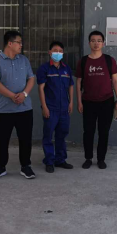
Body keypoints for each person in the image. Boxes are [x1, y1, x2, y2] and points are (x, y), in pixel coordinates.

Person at [0, 31, 36, 180]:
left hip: (24, 108)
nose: (21, 45)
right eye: (19, 42)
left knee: (25, 139)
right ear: (10, 43)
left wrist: (24, 94)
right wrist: (12, 96)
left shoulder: (24, 60)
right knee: (2, 140)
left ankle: (26, 166)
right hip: (3, 110)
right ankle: (1, 167)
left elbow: (31, 79)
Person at [76, 31, 117, 169]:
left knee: (104, 132)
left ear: (103, 43)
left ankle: (101, 159)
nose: (96, 43)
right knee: (88, 132)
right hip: (88, 102)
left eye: (99, 40)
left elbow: (115, 81)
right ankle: (88, 158)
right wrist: (79, 101)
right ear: (89, 43)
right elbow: (78, 83)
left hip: (106, 101)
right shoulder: (83, 61)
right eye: (93, 40)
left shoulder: (109, 60)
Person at [36, 41, 75, 174]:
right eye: (55, 50)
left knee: (61, 135)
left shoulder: (66, 68)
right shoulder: (44, 68)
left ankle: (60, 160)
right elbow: (41, 89)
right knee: (48, 136)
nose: (57, 53)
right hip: (50, 108)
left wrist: (71, 102)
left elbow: (71, 86)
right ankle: (49, 161)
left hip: (64, 109)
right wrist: (44, 107)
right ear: (49, 52)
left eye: (60, 51)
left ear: (63, 53)